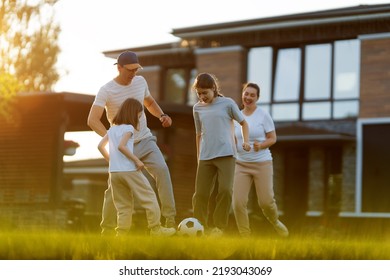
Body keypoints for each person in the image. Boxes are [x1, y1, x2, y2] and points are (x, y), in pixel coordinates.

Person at [88, 51, 176, 234]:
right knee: (114, 189)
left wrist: (162, 115)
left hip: (145, 139)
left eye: (136, 69)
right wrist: (111, 138)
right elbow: (92, 120)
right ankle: (107, 230)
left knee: (162, 169)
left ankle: (169, 220)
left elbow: (149, 102)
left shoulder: (140, 82)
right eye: (129, 70)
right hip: (123, 147)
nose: (133, 73)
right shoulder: (106, 90)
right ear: (119, 68)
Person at [97, 98, 176, 237]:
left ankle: (120, 235)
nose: (140, 119)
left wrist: (111, 160)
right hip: (129, 170)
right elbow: (122, 146)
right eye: (139, 115)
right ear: (134, 114)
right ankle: (156, 229)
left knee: (123, 206)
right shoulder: (129, 128)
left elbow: (100, 146)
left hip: (114, 173)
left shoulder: (112, 129)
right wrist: (137, 161)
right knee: (149, 197)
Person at [192, 73, 251, 237]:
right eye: (199, 93)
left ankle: (219, 228)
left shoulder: (227, 103)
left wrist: (246, 141)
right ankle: (199, 227)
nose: (202, 97)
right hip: (205, 157)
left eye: (205, 92)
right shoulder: (197, 108)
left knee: (225, 190)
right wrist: (198, 158)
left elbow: (244, 123)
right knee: (201, 194)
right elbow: (198, 134)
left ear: (213, 88)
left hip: (226, 154)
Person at [232, 82, 288, 238]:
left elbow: (273, 138)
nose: (248, 97)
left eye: (252, 95)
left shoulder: (263, 115)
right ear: (242, 94)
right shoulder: (236, 115)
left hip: (261, 163)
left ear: (257, 98)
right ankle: (245, 236)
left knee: (266, 202)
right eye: (246, 93)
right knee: (237, 203)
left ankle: (275, 221)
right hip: (240, 164)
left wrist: (261, 145)